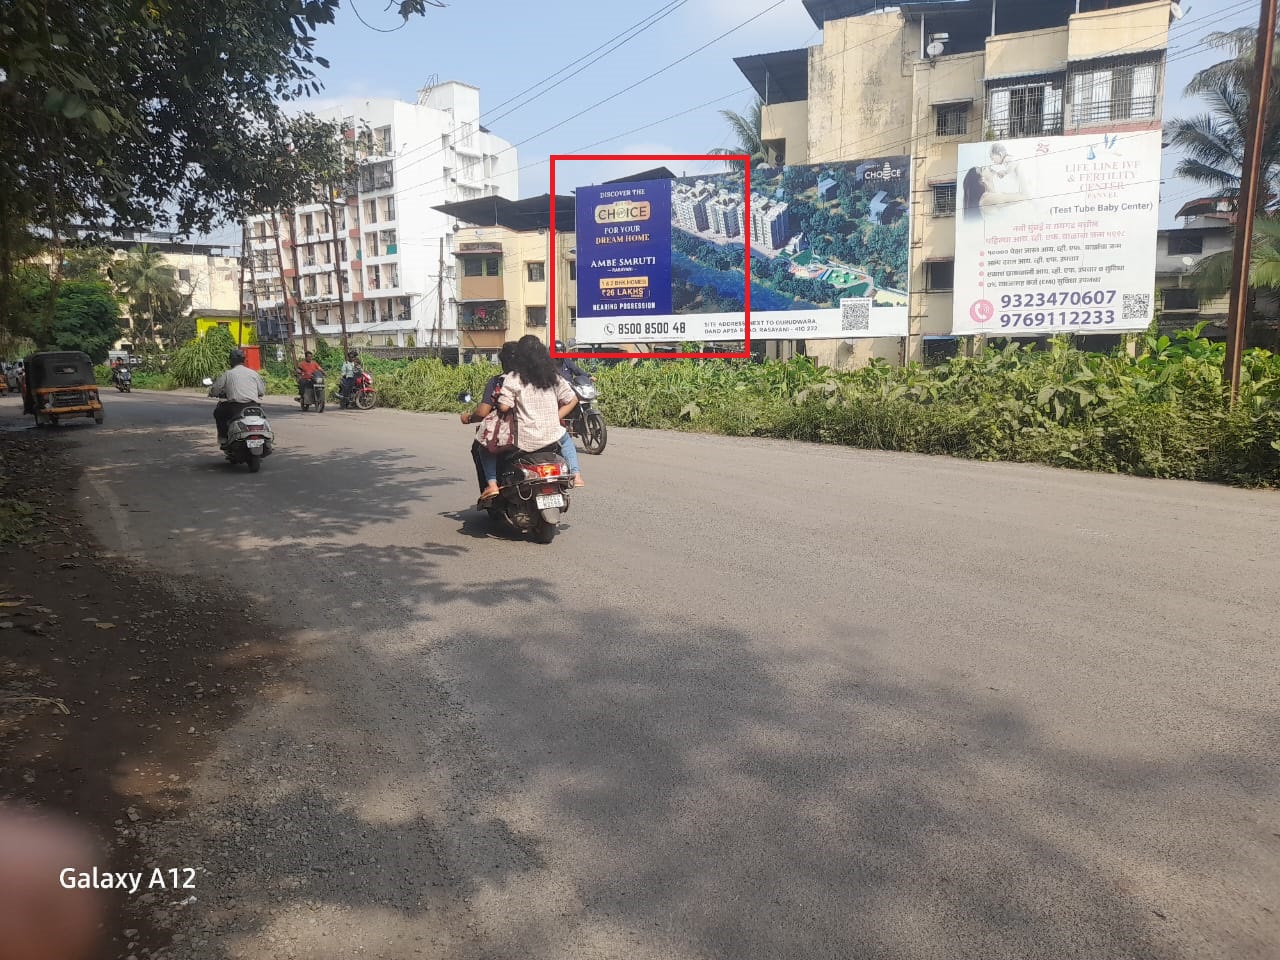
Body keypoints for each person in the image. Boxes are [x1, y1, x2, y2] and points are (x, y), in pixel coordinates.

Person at [476, 335, 580, 500]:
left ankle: (492, 485)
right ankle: (576, 474)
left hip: (524, 440)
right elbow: (572, 399)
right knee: (567, 441)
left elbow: (503, 406)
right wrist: (555, 417)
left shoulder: (514, 378)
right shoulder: (552, 376)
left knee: (485, 445)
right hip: (552, 436)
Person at [461, 341, 518, 493]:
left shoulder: (498, 382)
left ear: (503, 362)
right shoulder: (535, 380)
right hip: (535, 428)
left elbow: (482, 412)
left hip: (510, 431)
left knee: (481, 447)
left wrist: (468, 418)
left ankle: (491, 486)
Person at [207, 348, 266, 446]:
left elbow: (216, 389)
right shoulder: (254, 373)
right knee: (263, 417)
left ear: (231, 361)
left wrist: (212, 393)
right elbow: (261, 391)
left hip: (235, 407)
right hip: (254, 406)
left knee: (218, 412)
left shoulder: (228, 374)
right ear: (244, 360)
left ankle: (223, 438)